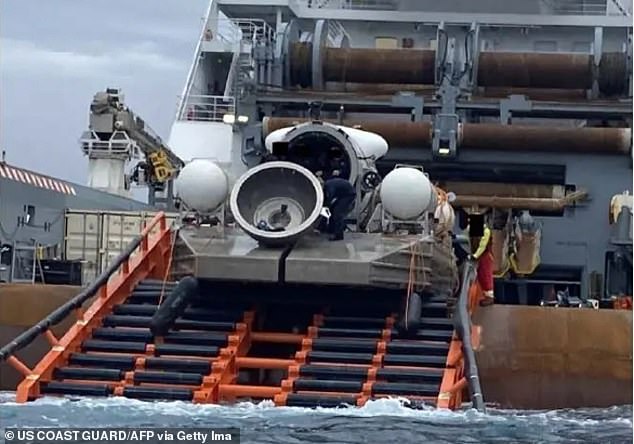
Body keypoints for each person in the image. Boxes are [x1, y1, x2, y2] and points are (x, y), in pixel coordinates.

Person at [322, 170, 355, 241]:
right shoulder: (328, 184)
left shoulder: (329, 186)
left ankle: (338, 235)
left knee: (337, 213)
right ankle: (331, 229)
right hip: (342, 194)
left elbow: (330, 196)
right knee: (332, 210)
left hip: (348, 195)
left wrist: (326, 205)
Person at [469, 221, 495, 306]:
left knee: (485, 275)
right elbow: (471, 241)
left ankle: (489, 297)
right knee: (479, 276)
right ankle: (479, 296)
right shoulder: (472, 228)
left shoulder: (486, 231)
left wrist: (475, 255)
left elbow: (482, 245)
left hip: (485, 256)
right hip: (476, 256)